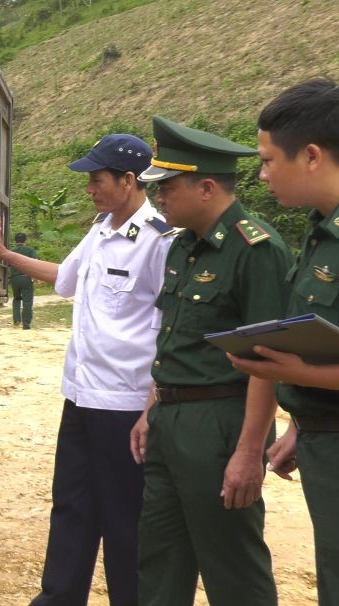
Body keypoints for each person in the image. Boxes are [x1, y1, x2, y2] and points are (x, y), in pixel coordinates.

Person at [0, 134, 173, 606]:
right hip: (82, 399)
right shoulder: (101, 229)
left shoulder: (160, 241)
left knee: (124, 521)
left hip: (126, 408)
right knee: (71, 508)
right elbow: (64, 279)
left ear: (129, 181)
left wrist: (153, 406)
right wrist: (3, 253)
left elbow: (174, 330)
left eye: (97, 180)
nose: (90, 189)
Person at [129, 116, 293, 606]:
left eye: (167, 188)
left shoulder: (255, 250)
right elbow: (175, 339)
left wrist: (248, 452)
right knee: (159, 560)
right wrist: (149, 410)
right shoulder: (182, 246)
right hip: (170, 419)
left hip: (220, 423)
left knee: (231, 567)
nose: (158, 198)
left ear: (205, 188)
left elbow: (267, 360)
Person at [228, 78, 339, 606]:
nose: (263, 174)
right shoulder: (320, 232)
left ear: (312, 155)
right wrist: (303, 418)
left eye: (270, 160)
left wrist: (291, 376)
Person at [10, 232, 37, 329]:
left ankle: (16, 319)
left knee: (16, 298)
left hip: (14, 278)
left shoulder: (11, 251)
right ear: (26, 240)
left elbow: (7, 264)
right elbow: (35, 263)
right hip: (26, 278)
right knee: (27, 301)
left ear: (15, 241)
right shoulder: (30, 251)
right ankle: (26, 324)